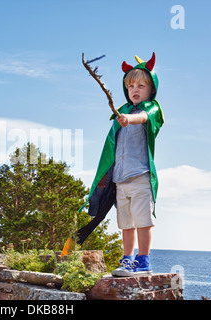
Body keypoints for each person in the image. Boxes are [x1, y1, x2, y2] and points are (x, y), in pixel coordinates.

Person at [60, 52, 164, 277]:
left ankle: (143, 260)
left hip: (141, 176)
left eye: (141, 86)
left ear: (152, 89)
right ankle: (127, 260)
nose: (134, 90)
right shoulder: (123, 111)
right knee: (126, 223)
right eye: (130, 86)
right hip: (120, 180)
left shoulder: (152, 109)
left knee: (143, 221)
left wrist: (130, 119)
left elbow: (144, 117)